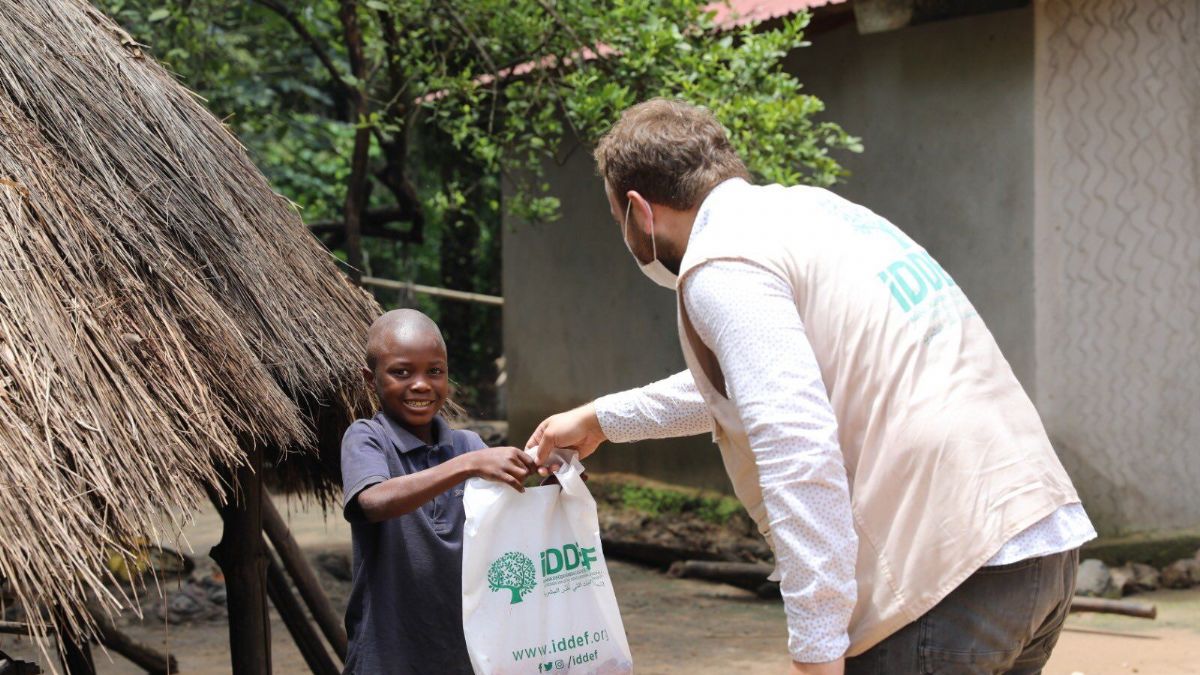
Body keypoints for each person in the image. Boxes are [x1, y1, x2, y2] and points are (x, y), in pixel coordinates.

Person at [527, 99, 1096, 675]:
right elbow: (770, 381)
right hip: (1039, 544)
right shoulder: (817, 214)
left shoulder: (722, 263)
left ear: (636, 210)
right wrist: (602, 419)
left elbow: (795, 443)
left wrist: (817, 647)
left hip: (942, 577)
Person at [341, 309, 537, 674]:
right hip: (388, 653)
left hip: (464, 650)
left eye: (435, 371)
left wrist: (558, 486)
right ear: (371, 380)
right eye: (401, 372)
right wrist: (467, 465)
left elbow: (511, 515)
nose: (421, 384)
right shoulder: (368, 438)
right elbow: (370, 501)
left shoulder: (468, 444)